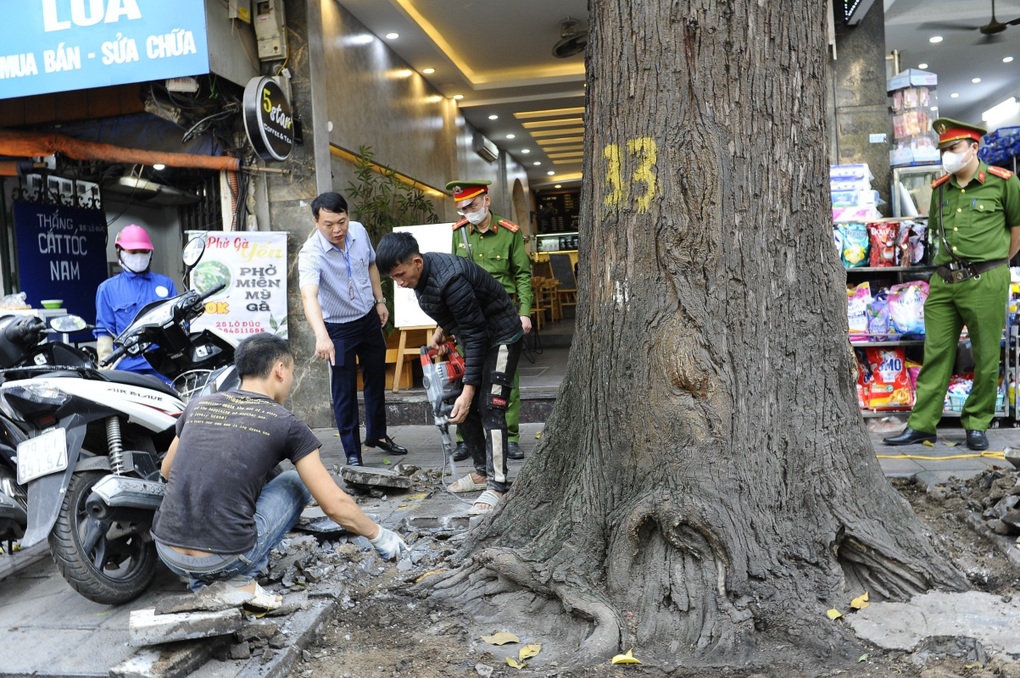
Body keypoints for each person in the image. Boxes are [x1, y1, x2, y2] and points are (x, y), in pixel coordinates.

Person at [151, 333, 407, 606]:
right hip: (224, 560)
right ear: (280, 370)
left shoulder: (198, 405)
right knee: (295, 480)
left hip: (168, 553)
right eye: (293, 372)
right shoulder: (287, 423)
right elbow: (334, 505)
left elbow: (167, 471)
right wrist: (379, 535)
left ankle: (202, 582)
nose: (291, 380)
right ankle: (240, 580)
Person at [884, 118, 1020, 451]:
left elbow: (1016, 232)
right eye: (944, 149)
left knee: (986, 355)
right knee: (936, 354)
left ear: (975, 148)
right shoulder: (940, 187)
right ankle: (921, 425)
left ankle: (976, 423)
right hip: (944, 282)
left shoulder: (1004, 183)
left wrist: (994, 264)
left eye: (954, 148)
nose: (948, 154)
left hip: (984, 279)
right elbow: (934, 234)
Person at [375, 232, 523, 515]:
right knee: (458, 404)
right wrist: (441, 332)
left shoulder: (450, 280)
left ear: (416, 262)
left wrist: (470, 391)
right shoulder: (422, 278)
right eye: (394, 278)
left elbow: (477, 334)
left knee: (490, 406)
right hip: (475, 337)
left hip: (501, 337)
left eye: (401, 275)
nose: (400, 283)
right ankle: (481, 472)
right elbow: (456, 316)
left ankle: (498, 484)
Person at [298, 192, 407, 466]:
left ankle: (377, 435)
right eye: (329, 224)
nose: (337, 230)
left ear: (348, 216)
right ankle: (353, 452)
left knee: (375, 380)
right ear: (316, 222)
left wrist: (379, 301)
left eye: (342, 221)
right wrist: (322, 336)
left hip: (368, 319)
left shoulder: (357, 231)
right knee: (344, 391)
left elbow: (370, 263)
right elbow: (308, 296)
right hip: (337, 329)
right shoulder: (311, 254)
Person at [446, 180, 532, 462]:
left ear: (487, 200)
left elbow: (522, 275)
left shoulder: (510, 233)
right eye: (461, 208)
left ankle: (509, 437)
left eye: (471, 206)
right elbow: (453, 274)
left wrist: (525, 312)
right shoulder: (459, 234)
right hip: (468, 316)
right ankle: (465, 439)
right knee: (465, 374)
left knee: (505, 377)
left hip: (502, 314)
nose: (466, 212)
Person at [94, 224, 178, 382]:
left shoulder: (166, 284)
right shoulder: (107, 289)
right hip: (126, 372)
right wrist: (105, 373)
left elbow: (180, 326)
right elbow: (104, 333)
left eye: (144, 251)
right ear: (120, 252)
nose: (139, 256)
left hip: (164, 370)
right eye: (133, 252)